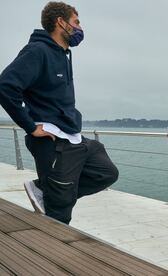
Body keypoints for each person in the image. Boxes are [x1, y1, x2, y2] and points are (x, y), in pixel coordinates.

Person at [0, 2, 119, 224]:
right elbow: (5, 86)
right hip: (53, 142)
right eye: (76, 22)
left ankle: (46, 189)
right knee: (59, 217)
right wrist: (30, 126)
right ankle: (51, 244)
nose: (80, 28)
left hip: (73, 136)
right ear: (61, 22)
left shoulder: (63, 54)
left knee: (106, 172)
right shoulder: (37, 51)